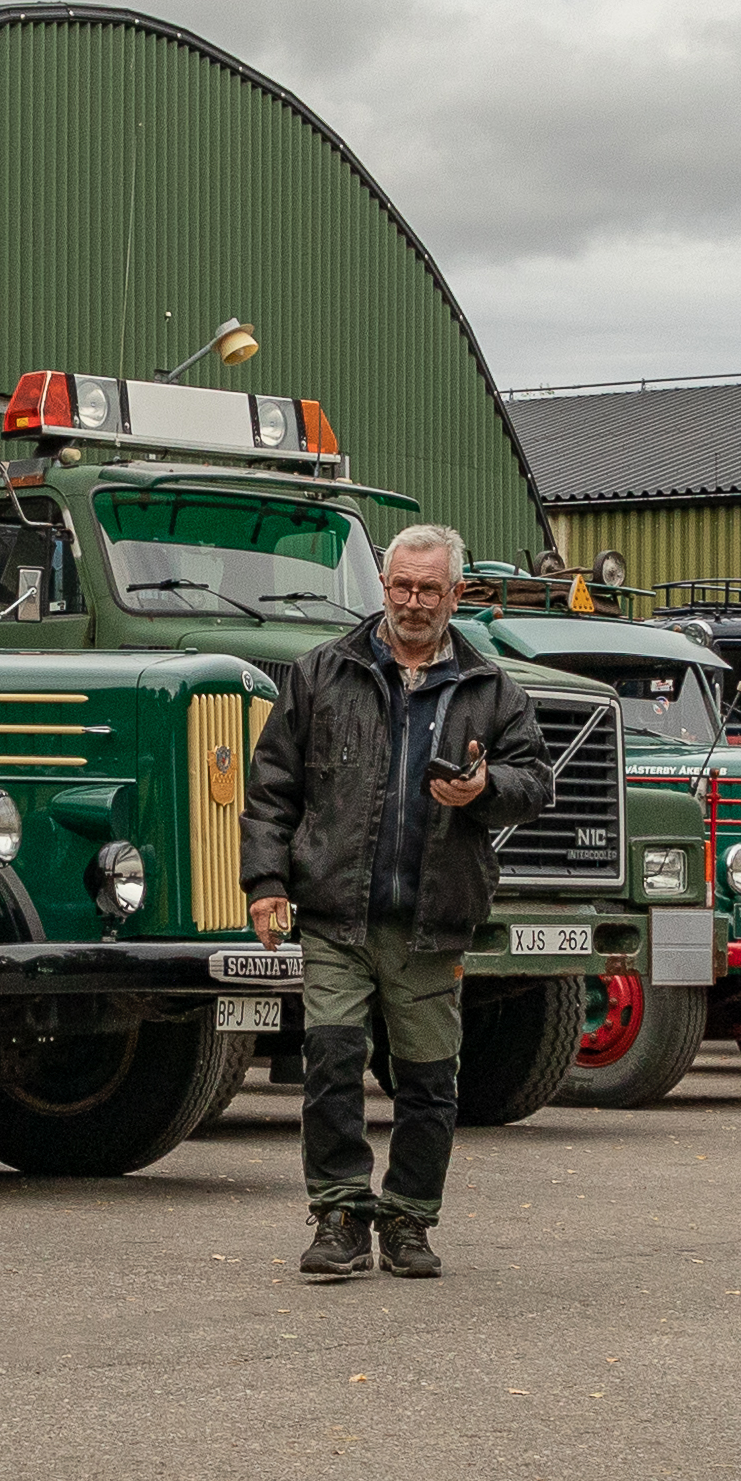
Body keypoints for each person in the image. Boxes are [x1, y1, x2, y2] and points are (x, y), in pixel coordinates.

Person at [240, 520, 510, 1280]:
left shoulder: (490, 688)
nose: (415, 601)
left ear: (457, 595)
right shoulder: (321, 673)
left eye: (431, 589)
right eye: (403, 585)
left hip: (431, 922)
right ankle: (338, 1217)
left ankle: (410, 1222)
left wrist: (487, 788)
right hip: (336, 914)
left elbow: (537, 780)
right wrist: (265, 885)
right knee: (330, 1062)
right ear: (383, 585)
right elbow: (271, 792)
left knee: (428, 1083)